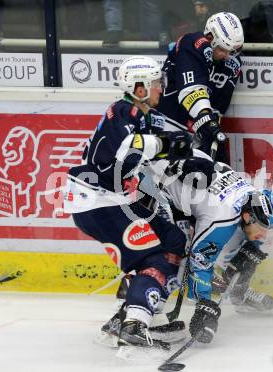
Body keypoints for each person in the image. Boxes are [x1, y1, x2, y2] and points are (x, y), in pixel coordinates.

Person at [63, 55, 194, 349]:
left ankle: (128, 315)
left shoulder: (137, 115)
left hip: (112, 200)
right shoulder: (123, 112)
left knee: (173, 240)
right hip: (97, 203)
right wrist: (163, 144)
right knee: (154, 259)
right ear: (139, 89)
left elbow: (136, 153)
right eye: (156, 83)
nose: (161, 88)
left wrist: (170, 144)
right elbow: (122, 157)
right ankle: (134, 324)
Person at [160, 157, 273, 343]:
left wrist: (250, 253)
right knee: (177, 256)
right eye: (262, 228)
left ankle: (238, 292)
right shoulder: (221, 219)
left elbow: (256, 233)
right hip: (160, 193)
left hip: (192, 189)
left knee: (247, 243)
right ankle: (137, 313)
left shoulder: (251, 197)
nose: (264, 235)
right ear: (248, 216)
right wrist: (204, 305)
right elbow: (199, 261)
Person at [157, 11, 244, 161]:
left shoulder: (233, 64)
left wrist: (211, 131)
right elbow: (191, 90)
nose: (228, 56)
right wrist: (207, 122)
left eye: (233, 51)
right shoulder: (191, 43)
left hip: (197, 131)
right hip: (167, 124)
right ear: (210, 38)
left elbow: (218, 106)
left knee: (217, 172)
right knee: (167, 177)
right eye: (223, 49)